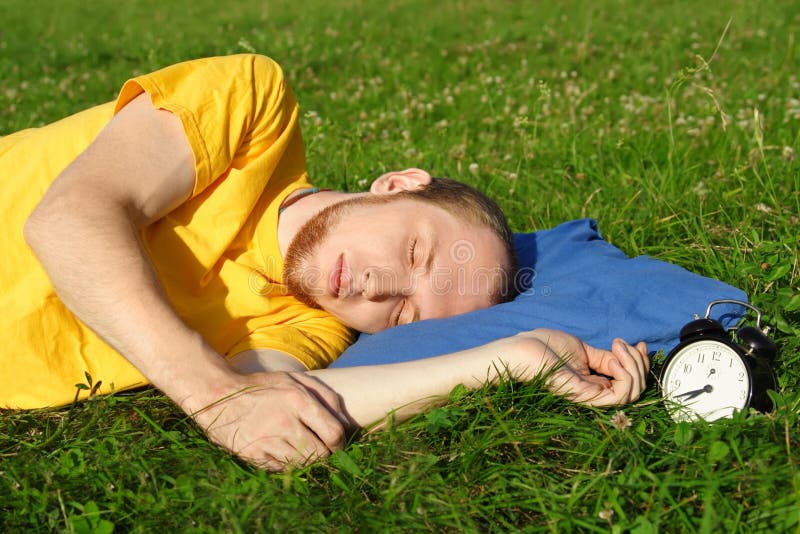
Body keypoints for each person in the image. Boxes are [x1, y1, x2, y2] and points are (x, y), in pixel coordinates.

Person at [1, 54, 649, 471]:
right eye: (413, 251)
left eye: (402, 313)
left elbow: (295, 408)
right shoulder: (255, 109)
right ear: (397, 185)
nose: (378, 286)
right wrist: (214, 395)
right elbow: (67, 221)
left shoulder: (309, 329)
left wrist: (518, 359)